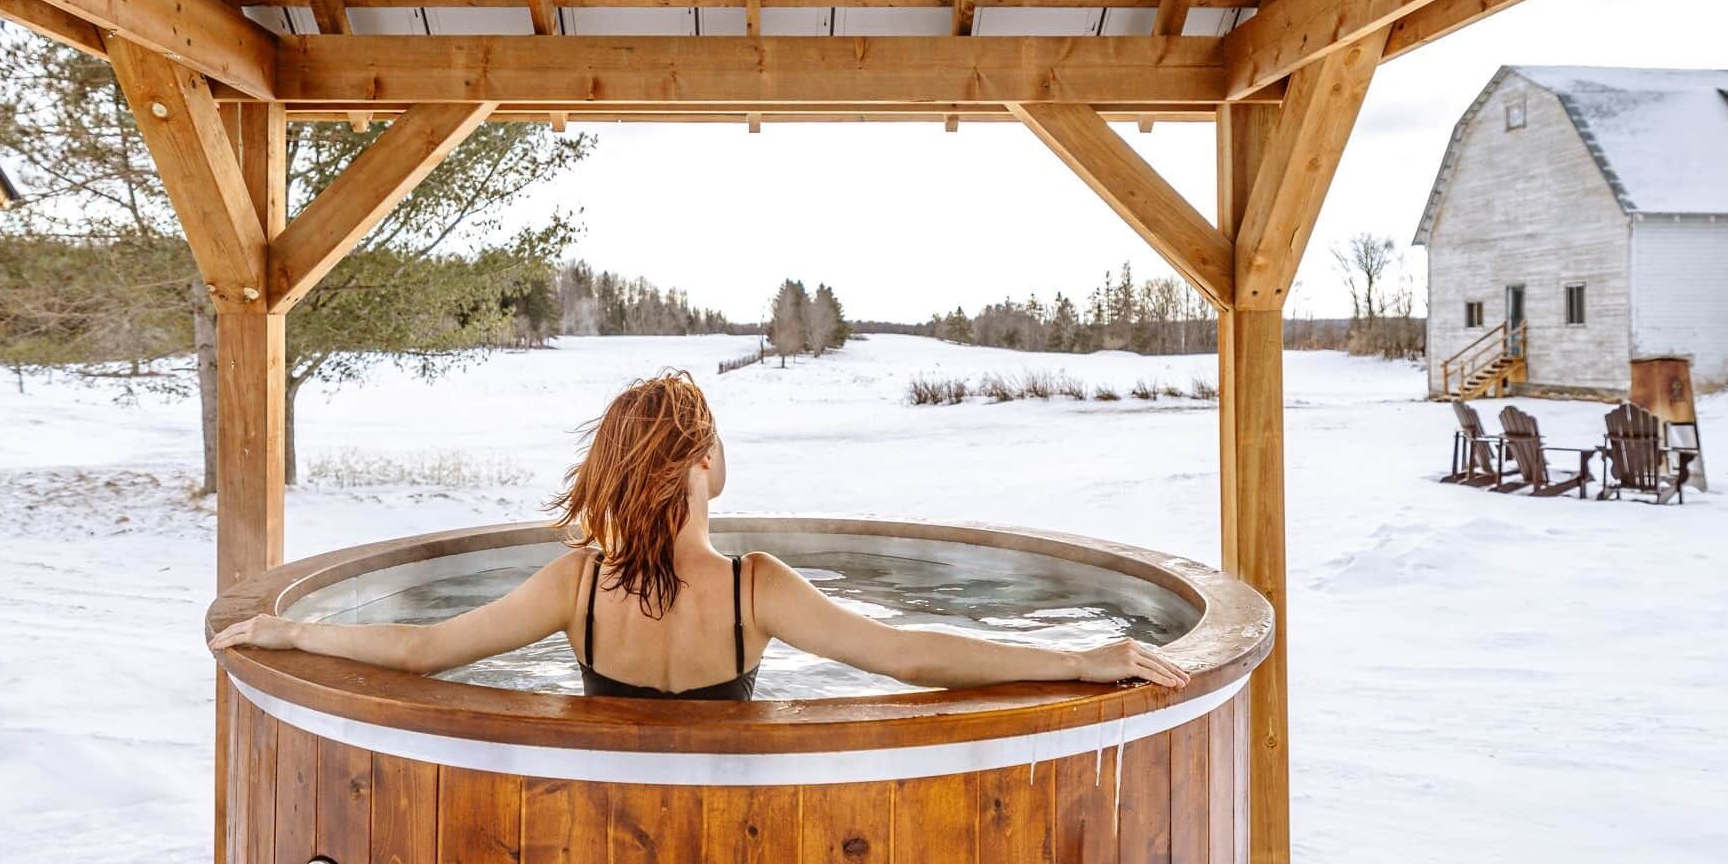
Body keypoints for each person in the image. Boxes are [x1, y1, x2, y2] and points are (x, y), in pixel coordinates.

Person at [209, 369, 1187, 696]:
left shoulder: (576, 587)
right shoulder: (758, 589)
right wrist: (1075, 661)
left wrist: (291, 631)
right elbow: (908, 655)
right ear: (704, 459)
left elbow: (422, 648)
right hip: (731, 838)